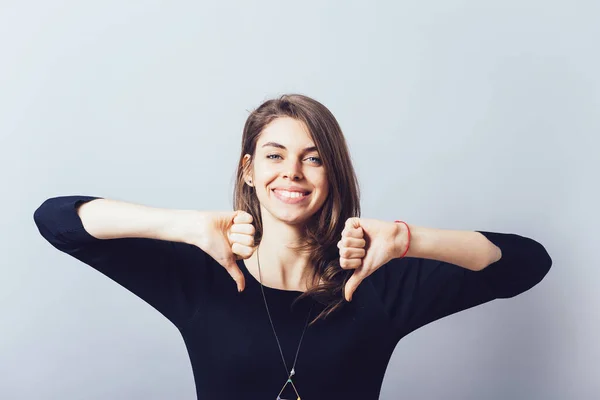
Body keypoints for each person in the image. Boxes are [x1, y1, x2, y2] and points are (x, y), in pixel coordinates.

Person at [33, 94, 552, 399]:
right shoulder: (203, 276)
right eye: (275, 155)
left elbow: (527, 263)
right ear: (250, 171)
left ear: (332, 174)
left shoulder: (375, 283)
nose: (292, 173)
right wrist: (187, 225)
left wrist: (404, 237)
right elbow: (58, 220)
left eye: (313, 158)